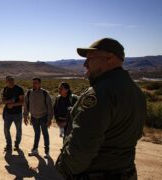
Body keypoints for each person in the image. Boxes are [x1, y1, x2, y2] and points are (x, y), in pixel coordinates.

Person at [55, 38, 147, 180]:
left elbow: (82, 147)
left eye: (90, 59)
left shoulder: (100, 93)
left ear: (110, 59)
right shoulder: (135, 91)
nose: (85, 64)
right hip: (126, 172)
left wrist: (64, 167)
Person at [23, 77, 53, 157]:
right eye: (33, 83)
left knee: (45, 134)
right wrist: (25, 116)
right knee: (37, 133)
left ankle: (47, 152)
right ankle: (35, 150)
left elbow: (49, 106)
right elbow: (26, 105)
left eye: (36, 83)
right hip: (34, 117)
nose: (34, 84)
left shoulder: (45, 93)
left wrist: (50, 118)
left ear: (40, 84)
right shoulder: (29, 93)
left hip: (43, 117)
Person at [1, 75, 24, 151]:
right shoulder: (5, 89)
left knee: (18, 130)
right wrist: (10, 101)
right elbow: (3, 101)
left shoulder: (19, 89)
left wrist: (13, 104)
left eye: (11, 80)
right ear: (6, 82)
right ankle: (9, 144)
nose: (10, 82)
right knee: (6, 129)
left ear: (13, 81)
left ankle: (17, 144)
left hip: (17, 113)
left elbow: (22, 102)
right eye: (8, 81)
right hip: (8, 113)